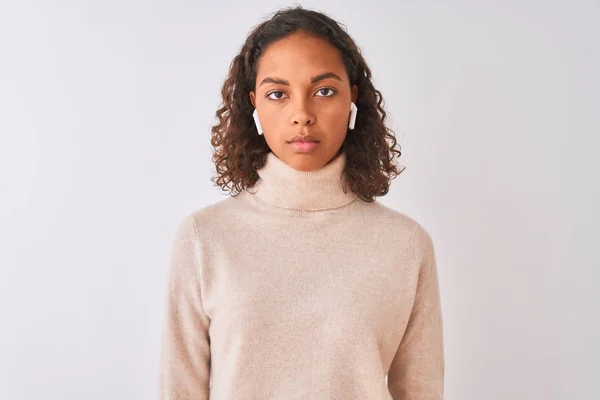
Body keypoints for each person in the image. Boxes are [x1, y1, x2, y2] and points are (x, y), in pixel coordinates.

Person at [158, 6, 444, 400]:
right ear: (254, 103)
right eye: (279, 94)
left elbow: (421, 391)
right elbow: (180, 390)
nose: (302, 115)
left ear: (352, 100)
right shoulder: (204, 238)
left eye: (324, 91)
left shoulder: (406, 245)